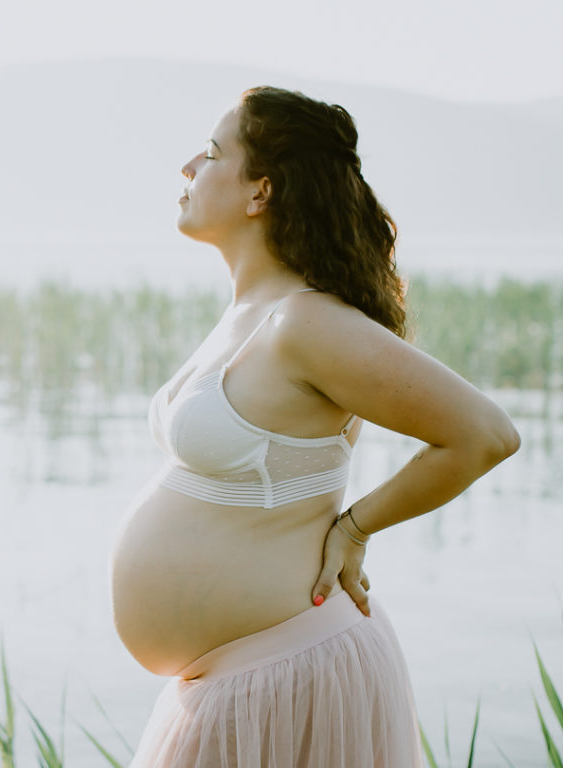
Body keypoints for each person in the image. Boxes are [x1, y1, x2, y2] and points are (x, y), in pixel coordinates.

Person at [109, 85, 521, 768]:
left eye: (212, 153)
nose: (188, 166)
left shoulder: (306, 321)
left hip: (286, 679)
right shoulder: (250, 311)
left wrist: (355, 527)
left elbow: (484, 433)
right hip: (232, 684)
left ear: (260, 192)